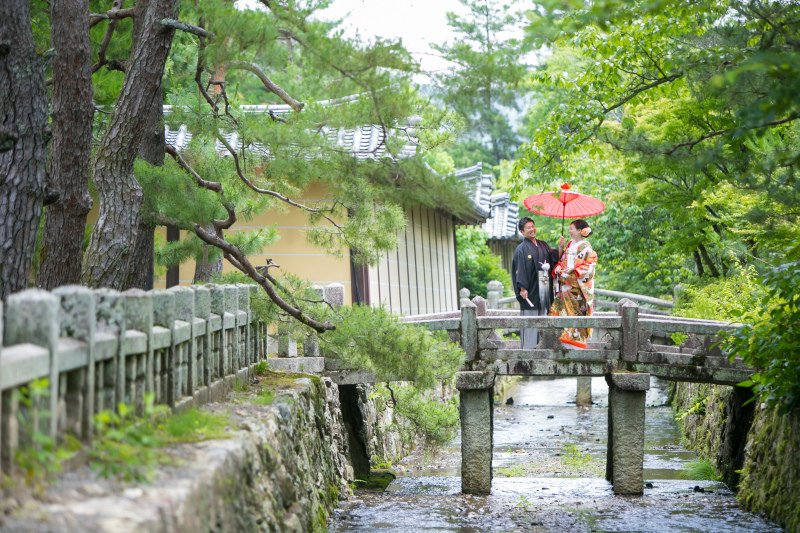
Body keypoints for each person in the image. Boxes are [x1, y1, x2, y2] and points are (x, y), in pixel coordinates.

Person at [511, 217, 565, 348]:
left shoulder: (543, 245)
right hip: (531, 290)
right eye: (528, 227)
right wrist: (522, 288)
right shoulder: (521, 249)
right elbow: (520, 270)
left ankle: (546, 345)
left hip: (545, 287)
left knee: (546, 314)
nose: (532, 229)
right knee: (531, 317)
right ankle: (530, 348)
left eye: (533, 226)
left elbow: (555, 257)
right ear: (522, 232)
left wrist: (561, 246)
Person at [550, 219, 598, 349]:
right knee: (563, 316)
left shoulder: (587, 248)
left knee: (576, 316)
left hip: (577, 288)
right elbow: (562, 261)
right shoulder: (570, 244)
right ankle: (563, 345)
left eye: (572, 228)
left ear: (579, 231)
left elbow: (590, 265)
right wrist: (559, 267)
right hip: (564, 285)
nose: (569, 231)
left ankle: (576, 347)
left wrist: (575, 270)